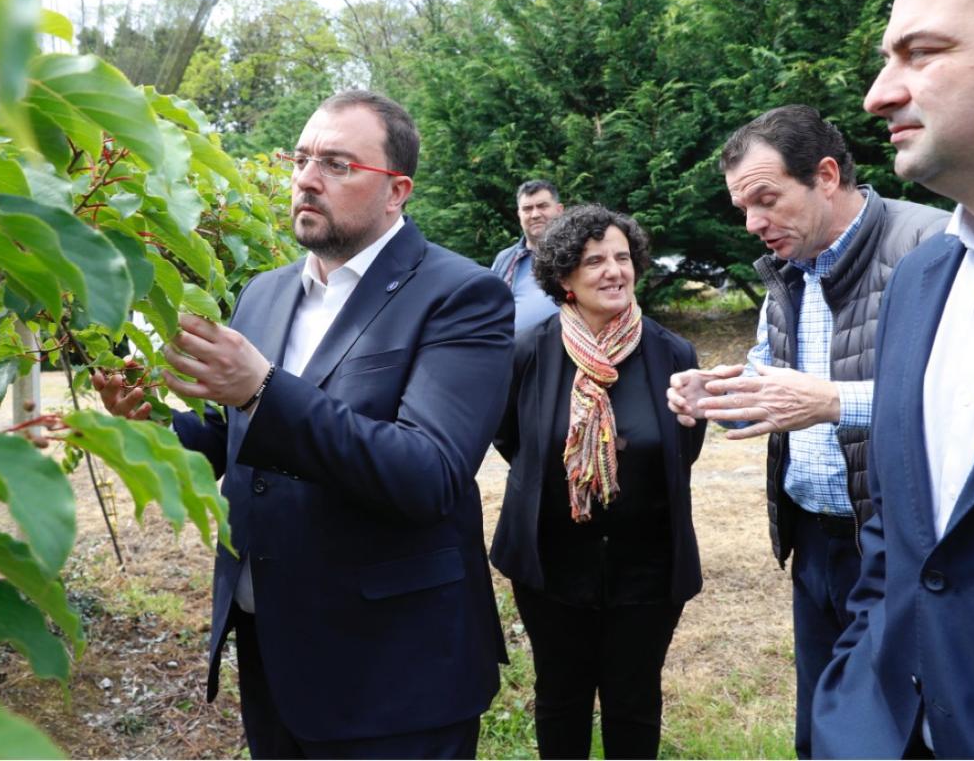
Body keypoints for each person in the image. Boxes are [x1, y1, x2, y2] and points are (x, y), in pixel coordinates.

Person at [94, 90, 514, 759]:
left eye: (339, 164)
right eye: (302, 159)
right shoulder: (264, 291)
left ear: (396, 191)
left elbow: (426, 473)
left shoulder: (460, 296)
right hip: (274, 652)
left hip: (394, 671)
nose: (308, 179)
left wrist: (262, 389)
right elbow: (226, 442)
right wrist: (150, 426)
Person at [665, 105, 946, 758]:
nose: (752, 223)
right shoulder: (788, 274)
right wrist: (718, 397)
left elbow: (972, 401)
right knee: (821, 735)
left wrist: (835, 401)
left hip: (904, 552)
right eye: (742, 208)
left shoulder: (932, 249)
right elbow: (777, 394)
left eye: (766, 199)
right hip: (813, 548)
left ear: (825, 175)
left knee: (901, 739)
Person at [810, 0, 974, 756]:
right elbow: (895, 548)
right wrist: (854, 713)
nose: (877, 95)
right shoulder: (922, 286)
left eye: (921, 52)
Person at [491, 204, 705, 760]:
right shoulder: (528, 353)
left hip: (647, 570)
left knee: (634, 703)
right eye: (594, 261)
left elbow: (684, 450)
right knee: (560, 698)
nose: (614, 270)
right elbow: (514, 441)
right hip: (552, 565)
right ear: (564, 278)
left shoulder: (672, 353)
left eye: (622, 257)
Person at [492, 179, 566, 332]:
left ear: (559, 210)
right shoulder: (505, 260)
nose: (535, 214)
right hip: (514, 352)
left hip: (568, 350)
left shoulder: (576, 254)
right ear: (519, 215)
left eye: (542, 206)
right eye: (527, 208)